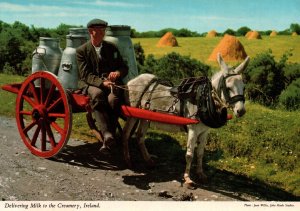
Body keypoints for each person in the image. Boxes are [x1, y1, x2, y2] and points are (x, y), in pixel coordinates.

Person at [76, 18, 128, 153]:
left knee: (113, 100)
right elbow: (85, 75)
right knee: (97, 95)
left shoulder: (111, 48)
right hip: (90, 83)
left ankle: (108, 136)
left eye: (103, 30)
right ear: (90, 31)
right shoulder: (81, 51)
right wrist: (102, 82)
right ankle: (107, 134)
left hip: (111, 84)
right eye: (98, 31)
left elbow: (123, 67)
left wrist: (117, 73)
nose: (101, 33)